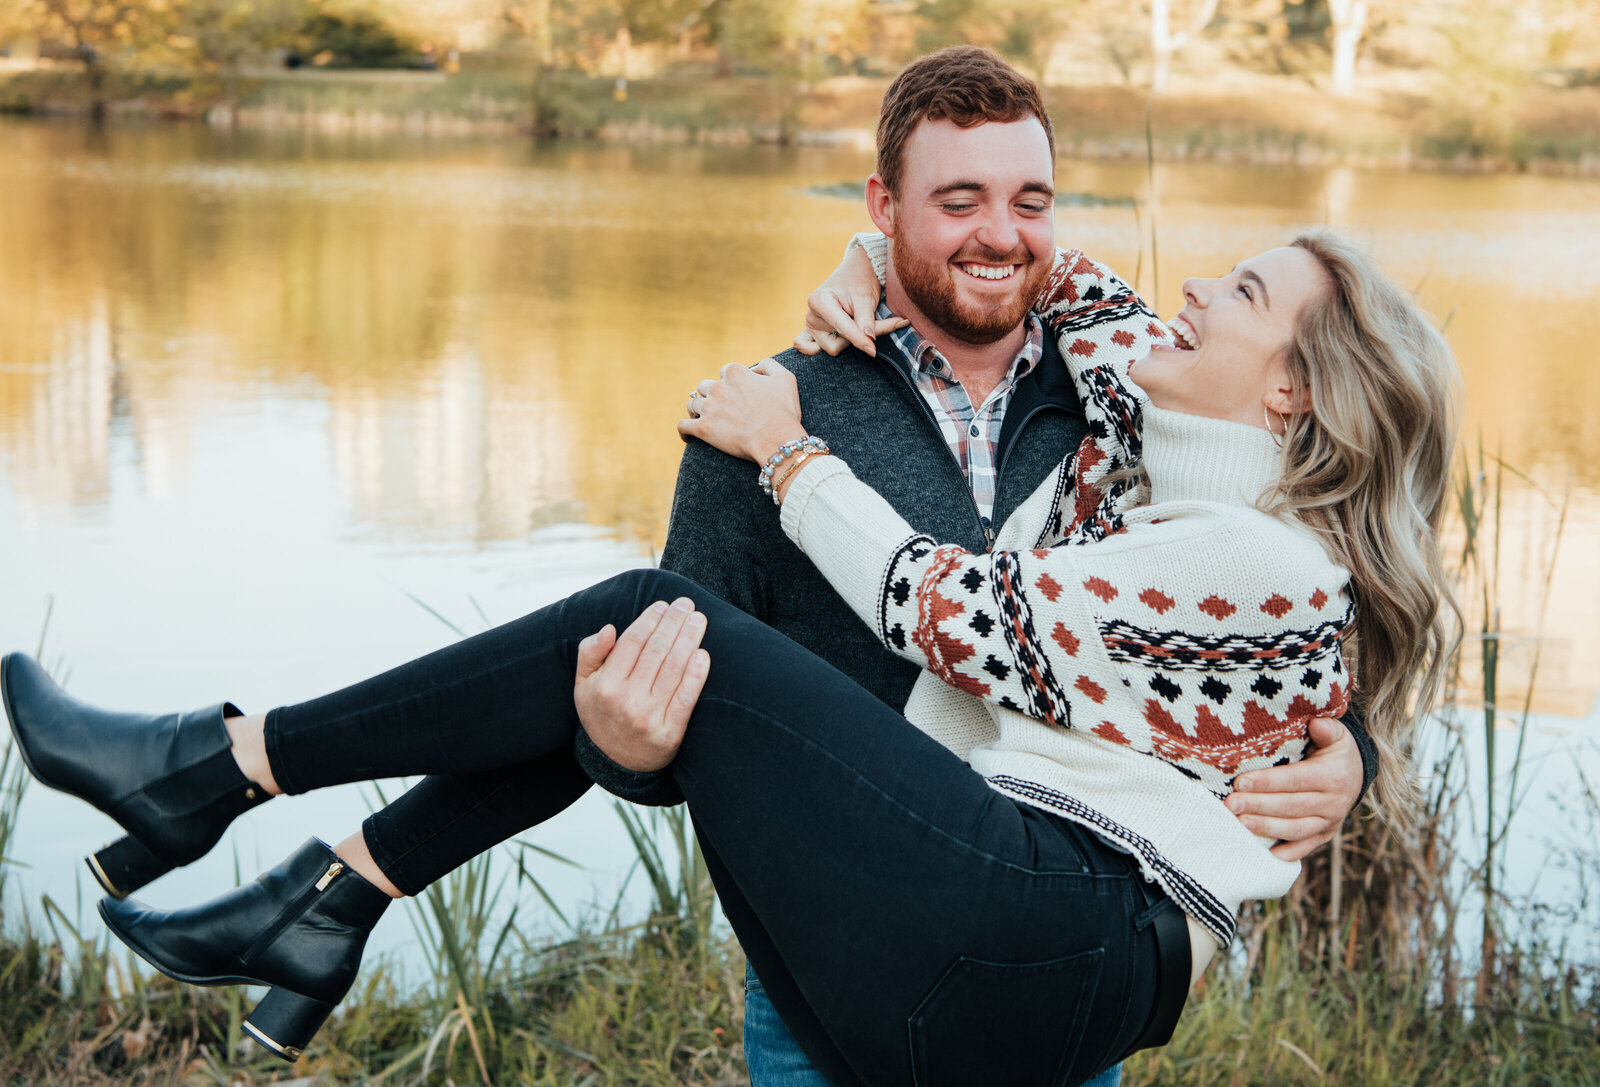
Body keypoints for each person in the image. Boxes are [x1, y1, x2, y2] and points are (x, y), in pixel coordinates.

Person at [3, 222, 1458, 1085]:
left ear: (1292, 392)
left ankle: (224, 770)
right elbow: (1081, 290)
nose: (1199, 288)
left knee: (660, 612)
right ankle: (316, 877)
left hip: (1046, 935)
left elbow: (942, 610)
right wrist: (875, 265)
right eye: (953, 203)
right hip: (930, 918)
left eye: (1249, 292)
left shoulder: (1250, 552)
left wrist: (789, 452)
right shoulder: (1139, 438)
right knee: (662, 635)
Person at [660, 45, 1371, 1087]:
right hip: (822, 973)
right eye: (954, 199)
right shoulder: (765, 411)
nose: (1001, 232)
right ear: (885, 201)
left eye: (1028, 199)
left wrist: (1340, 749)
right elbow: (670, 699)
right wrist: (634, 752)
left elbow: (1260, 623)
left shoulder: (1132, 394)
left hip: (1055, 976)